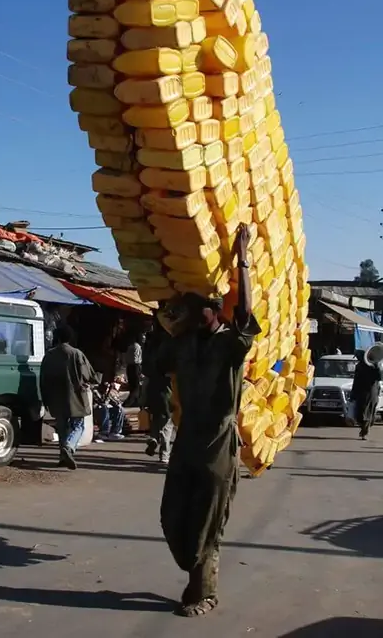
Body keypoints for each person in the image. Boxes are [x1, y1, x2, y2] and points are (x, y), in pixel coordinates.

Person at [159, 224, 260, 618]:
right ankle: (194, 577)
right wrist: (165, 318)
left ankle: (205, 592)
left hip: (218, 447)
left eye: (197, 305)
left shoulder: (231, 345)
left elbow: (247, 315)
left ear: (215, 309)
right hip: (186, 443)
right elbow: (157, 365)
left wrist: (242, 259)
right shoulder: (182, 344)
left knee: (207, 524)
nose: (191, 311)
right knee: (172, 517)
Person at [40, 325, 98, 470]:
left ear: (57, 337)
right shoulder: (76, 354)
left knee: (62, 427)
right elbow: (89, 375)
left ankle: (63, 457)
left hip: (55, 397)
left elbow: (43, 379)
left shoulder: (49, 355)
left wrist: (45, 398)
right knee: (79, 425)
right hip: (75, 396)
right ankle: (69, 446)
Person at [142, 320, 174, 464]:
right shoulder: (170, 349)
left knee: (156, 418)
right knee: (168, 424)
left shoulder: (151, 347)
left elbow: (145, 370)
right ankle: (164, 454)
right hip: (167, 391)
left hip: (153, 389)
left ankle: (154, 438)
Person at [350, 350, 381, 440]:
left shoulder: (373, 366)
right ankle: (364, 428)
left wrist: (376, 366)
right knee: (361, 413)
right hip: (361, 392)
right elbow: (356, 381)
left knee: (368, 412)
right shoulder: (359, 366)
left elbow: (379, 377)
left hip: (372, 393)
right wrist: (353, 394)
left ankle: (365, 430)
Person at [125, 332, 143, 407]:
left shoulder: (130, 346)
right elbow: (137, 359)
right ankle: (132, 401)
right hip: (135, 366)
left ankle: (133, 400)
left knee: (132, 385)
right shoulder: (137, 346)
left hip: (130, 366)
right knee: (136, 385)